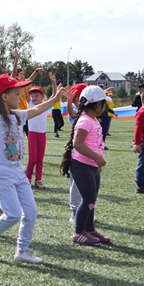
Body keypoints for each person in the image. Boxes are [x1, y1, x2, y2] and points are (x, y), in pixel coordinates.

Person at [0, 74, 63, 264]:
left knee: (31, 212)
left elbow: (38, 109)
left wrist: (55, 98)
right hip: (3, 172)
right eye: (16, 93)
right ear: (4, 97)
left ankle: (22, 250)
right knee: (12, 214)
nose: (21, 97)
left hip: (18, 171)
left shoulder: (18, 115)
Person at [60, 86, 111, 246]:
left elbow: (95, 143)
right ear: (97, 105)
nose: (104, 108)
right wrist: (96, 157)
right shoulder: (84, 121)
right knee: (88, 199)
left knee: (92, 200)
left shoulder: (93, 120)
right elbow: (78, 144)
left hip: (92, 166)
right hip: (82, 166)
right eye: (104, 104)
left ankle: (89, 230)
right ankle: (78, 232)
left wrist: (97, 161)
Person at [25, 73, 58, 190]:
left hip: (42, 135)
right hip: (32, 134)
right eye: (32, 96)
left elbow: (54, 96)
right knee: (32, 159)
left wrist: (53, 82)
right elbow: (24, 90)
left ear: (42, 97)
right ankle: (27, 179)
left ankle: (38, 180)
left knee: (39, 160)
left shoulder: (44, 106)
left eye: (36, 96)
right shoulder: (30, 105)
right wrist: (23, 81)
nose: (34, 98)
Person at [63, 82, 87, 223]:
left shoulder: (91, 115)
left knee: (87, 185)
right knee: (76, 185)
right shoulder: (78, 115)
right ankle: (74, 213)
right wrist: (70, 100)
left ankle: (85, 211)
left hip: (88, 156)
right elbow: (72, 112)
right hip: (77, 155)